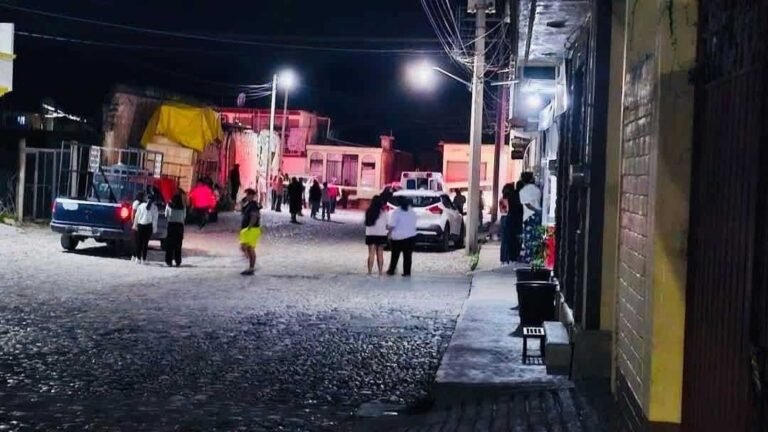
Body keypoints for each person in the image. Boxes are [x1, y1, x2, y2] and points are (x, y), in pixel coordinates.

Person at [386, 196, 417, 277]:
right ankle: (407, 272)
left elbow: (392, 225)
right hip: (410, 236)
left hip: (398, 238)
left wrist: (387, 229)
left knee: (395, 255)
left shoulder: (396, 212)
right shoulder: (412, 212)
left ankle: (392, 270)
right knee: (408, 256)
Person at [518, 172, 543, 263]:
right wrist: (539, 211)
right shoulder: (537, 189)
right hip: (539, 215)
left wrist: (535, 210)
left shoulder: (522, 191)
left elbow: (527, 204)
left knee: (528, 238)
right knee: (537, 236)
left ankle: (529, 257)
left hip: (528, 216)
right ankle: (537, 257)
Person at [239, 188, 262, 276]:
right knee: (245, 247)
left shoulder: (254, 205)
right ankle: (251, 264)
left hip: (252, 229)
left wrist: (250, 226)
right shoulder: (248, 204)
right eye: (246, 194)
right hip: (248, 229)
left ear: (252, 196)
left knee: (249, 248)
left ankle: (252, 266)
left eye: (248, 194)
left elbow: (254, 216)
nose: (247, 196)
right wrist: (242, 202)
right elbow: (239, 209)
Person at [364, 195, 388, 276]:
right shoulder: (383, 212)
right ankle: (380, 272)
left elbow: (366, 223)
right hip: (381, 234)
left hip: (370, 234)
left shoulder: (368, 211)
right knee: (380, 254)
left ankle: (370, 271)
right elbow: (387, 224)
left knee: (371, 254)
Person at [132, 194, 158, 264]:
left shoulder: (141, 206)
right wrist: (154, 229)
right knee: (145, 243)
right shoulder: (154, 208)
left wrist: (135, 225)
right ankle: (144, 259)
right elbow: (155, 220)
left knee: (139, 242)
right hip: (148, 226)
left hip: (140, 225)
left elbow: (136, 216)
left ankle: (138, 258)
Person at [164, 191, 186, 267]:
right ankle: (178, 261)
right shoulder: (183, 207)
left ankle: (169, 261)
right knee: (178, 245)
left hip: (171, 225)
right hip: (179, 226)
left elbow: (166, 215)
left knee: (169, 245)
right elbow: (184, 217)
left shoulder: (169, 206)